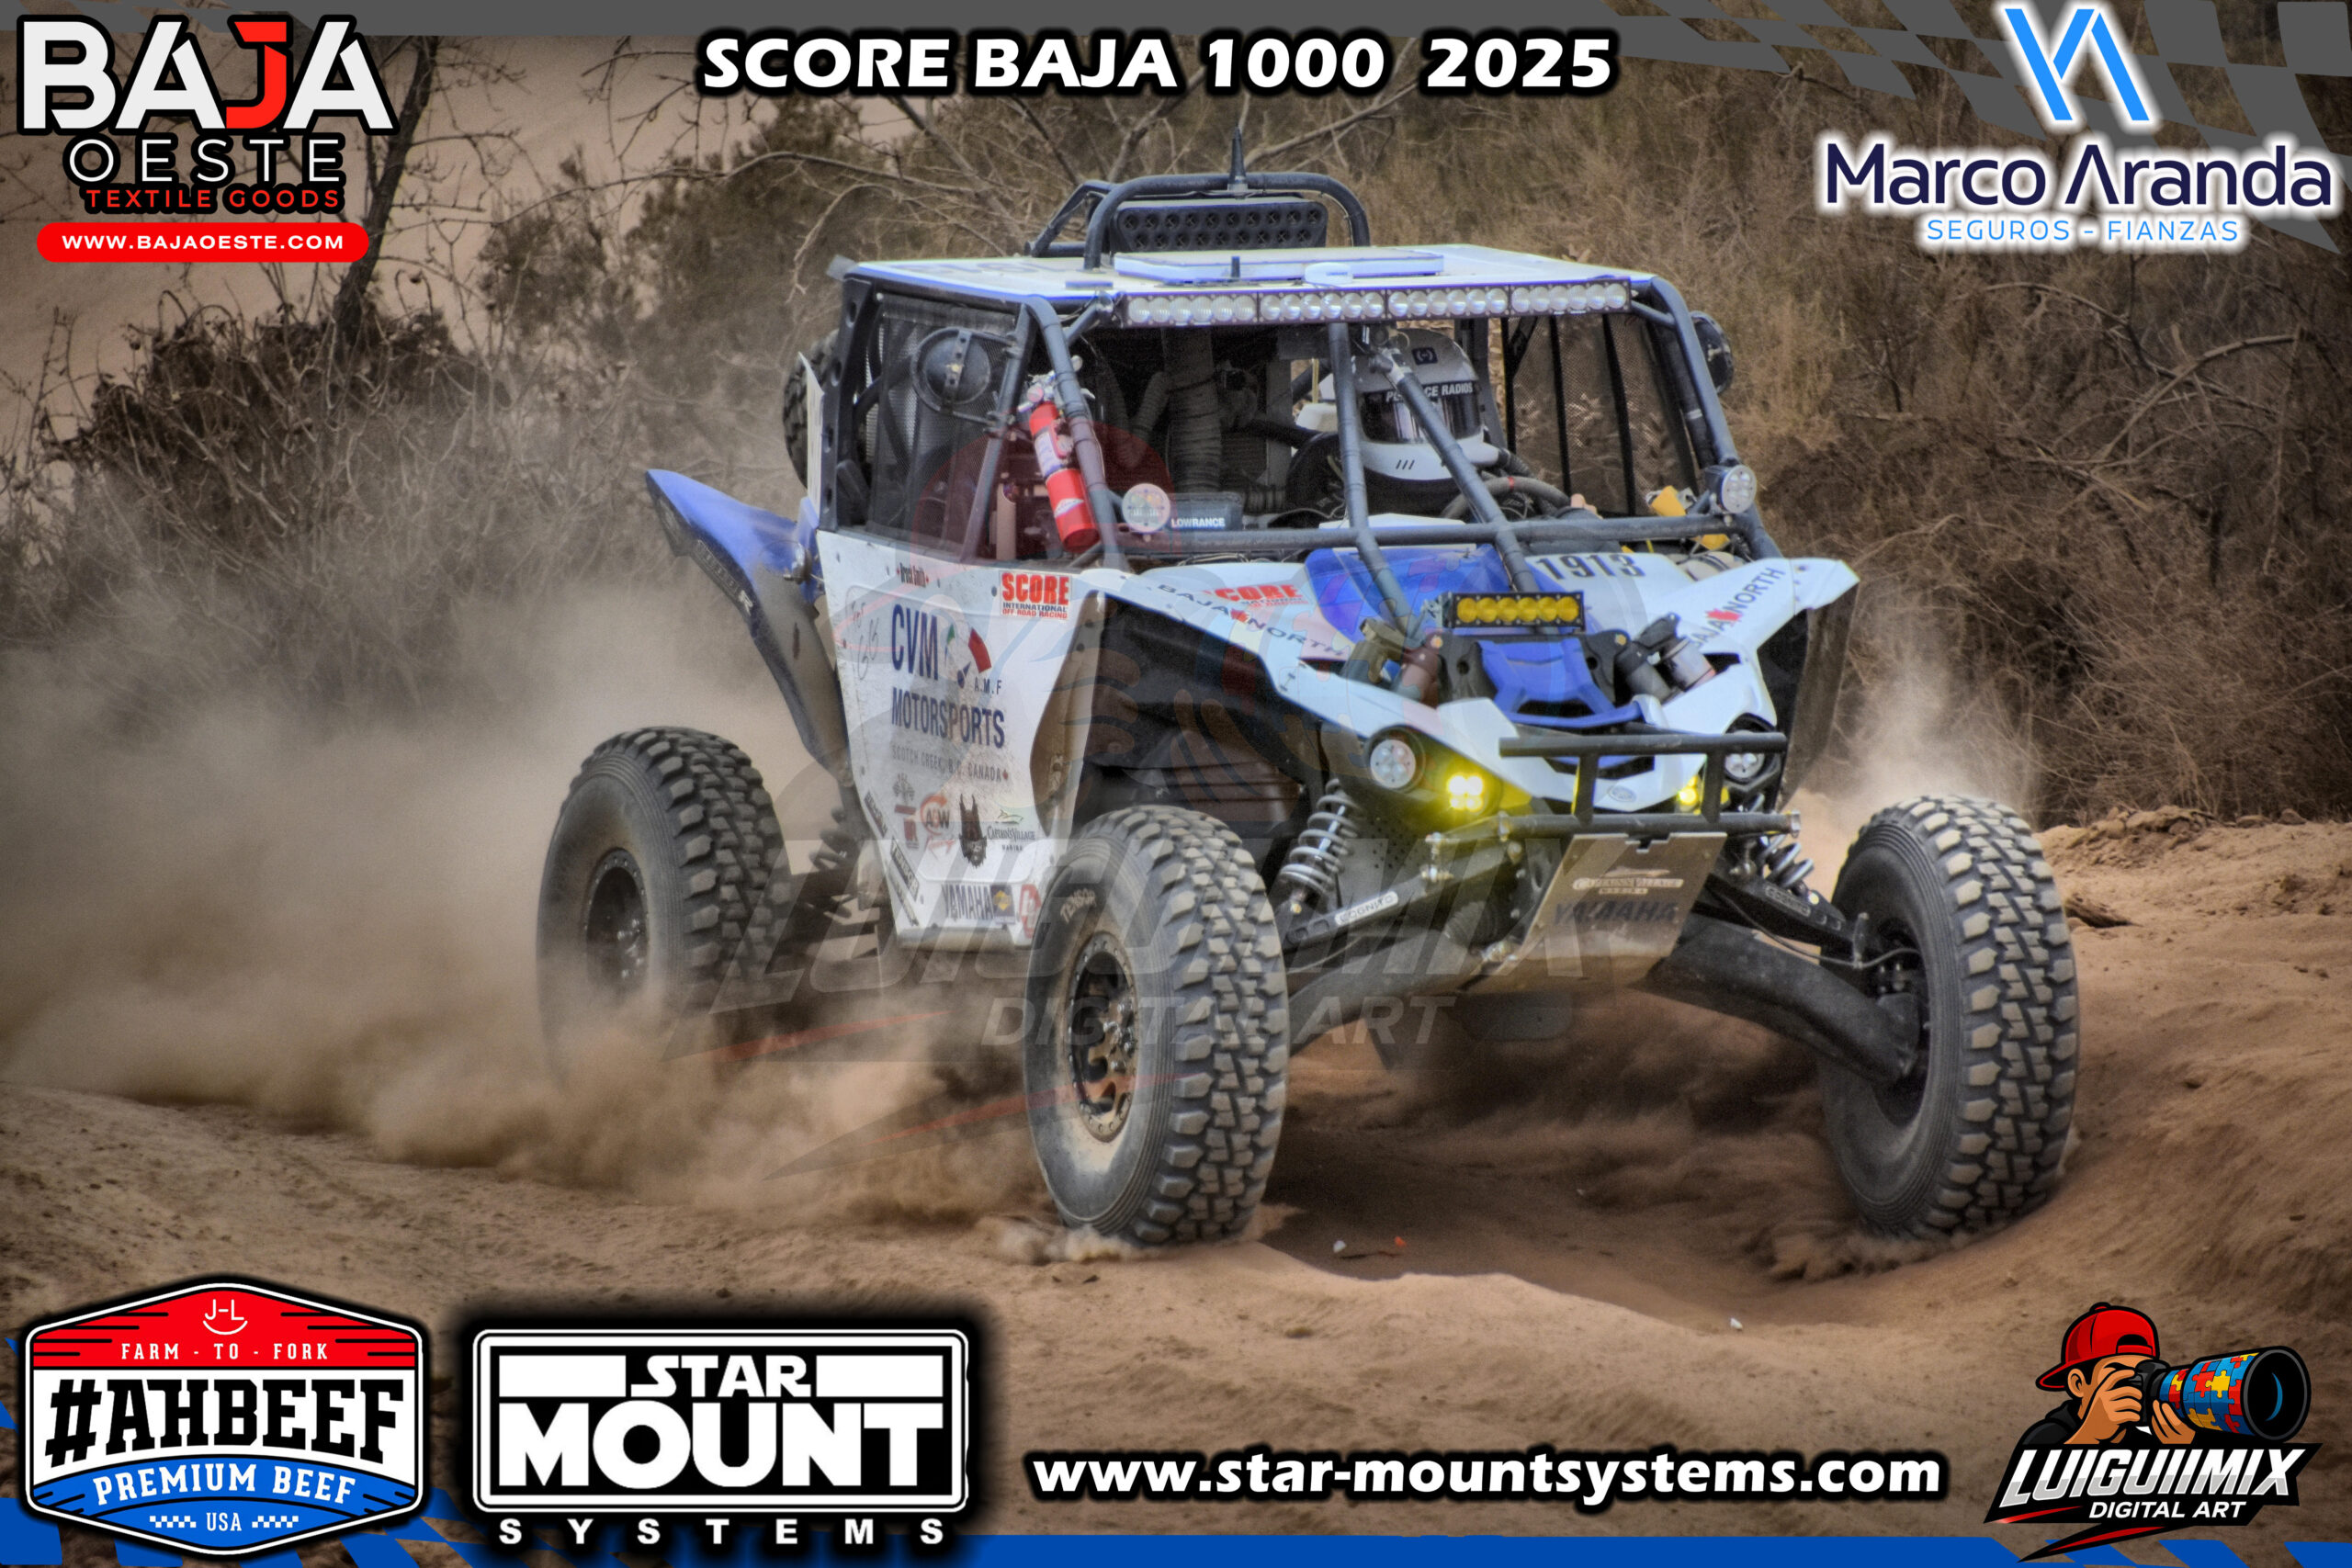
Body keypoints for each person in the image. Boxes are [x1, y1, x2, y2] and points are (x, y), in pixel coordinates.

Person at [2016, 1303, 2199, 1448]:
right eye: (2119, 1374)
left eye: (2145, 1374)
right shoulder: (2048, 1435)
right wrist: (2089, 1435)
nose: (2137, 1386)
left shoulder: (2145, 1439)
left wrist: (2185, 1450)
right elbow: (2032, 1480)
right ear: (2078, 1384)